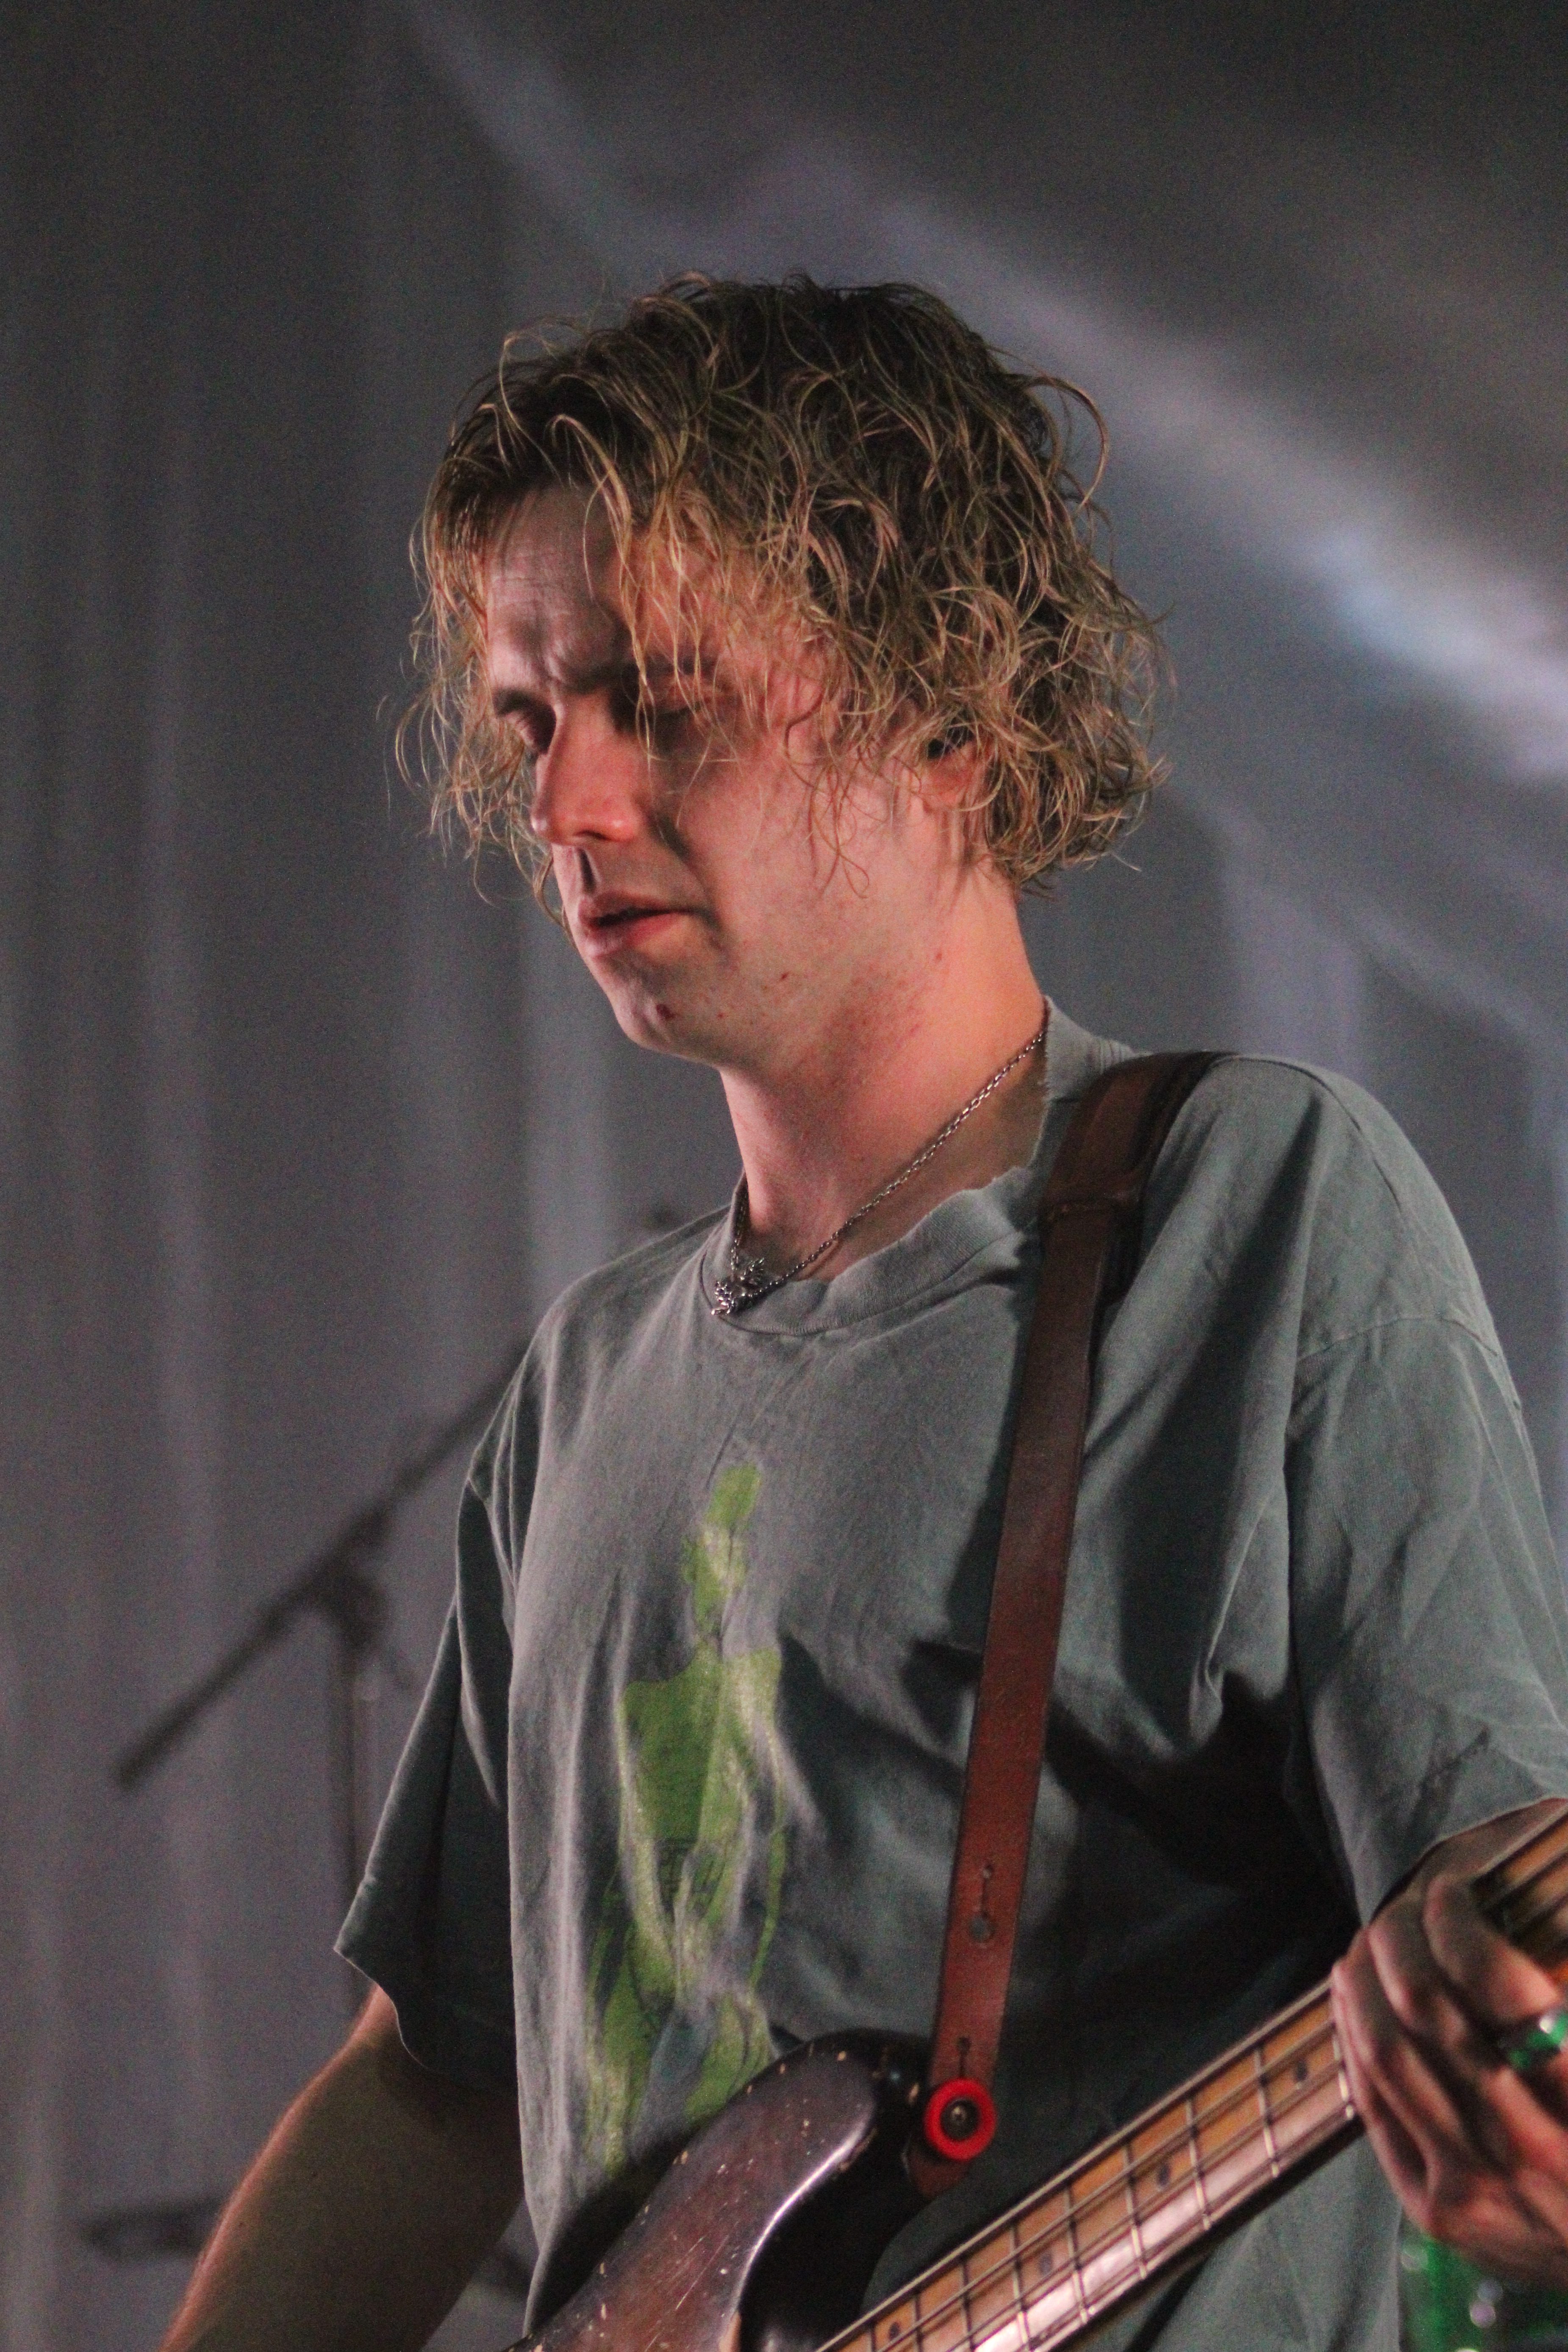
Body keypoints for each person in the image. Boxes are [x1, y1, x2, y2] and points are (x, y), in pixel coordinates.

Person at [160, 278, 1568, 2352]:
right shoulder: (581, 1392)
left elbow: (1509, 1949)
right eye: (532, 717)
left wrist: (1523, 2144)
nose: (566, 807)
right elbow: (425, 2084)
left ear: (945, 704)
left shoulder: (1251, 1214)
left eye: (662, 693)